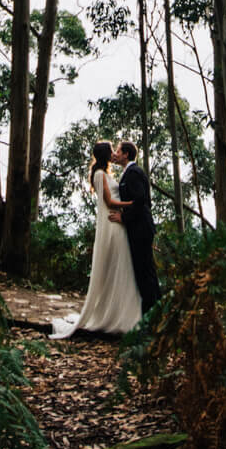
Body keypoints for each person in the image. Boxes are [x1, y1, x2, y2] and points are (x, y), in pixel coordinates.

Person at [52, 140, 142, 337]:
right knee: (119, 265)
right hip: (113, 224)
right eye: (111, 150)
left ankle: (120, 311)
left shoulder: (104, 174)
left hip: (118, 223)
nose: (114, 153)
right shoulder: (100, 174)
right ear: (105, 155)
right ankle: (113, 314)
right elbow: (109, 201)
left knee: (121, 267)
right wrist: (133, 203)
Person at [112, 140, 161, 312]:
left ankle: (151, 314)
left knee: (144, 271)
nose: (115, 154)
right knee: (145, 270)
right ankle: (155, 312)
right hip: (137, 228)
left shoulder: (133, 172)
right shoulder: (129, 173)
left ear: (126, 154)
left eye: (118, 151)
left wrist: (124, 217)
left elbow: (141, 200)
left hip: (141, 229)